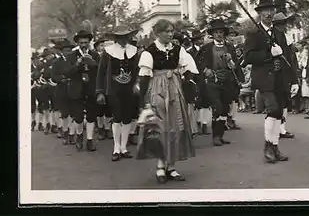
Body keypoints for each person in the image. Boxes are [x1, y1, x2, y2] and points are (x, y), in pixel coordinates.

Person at [137, 19, 198, 183]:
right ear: (158, 33)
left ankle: (171, 167)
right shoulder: (149, 52)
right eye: (167, 31)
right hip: (157, 89)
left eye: (172, 31)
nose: (171, 34)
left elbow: (189, 68)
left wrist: (186, 80)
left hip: (175, 89)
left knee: (176, 126)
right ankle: (159, 166)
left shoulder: (178, 50)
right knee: (161, 127)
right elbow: (144, 77)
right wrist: (144, 100)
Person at [243, 0, 299, 163]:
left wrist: (294, 81)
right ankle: (268, 146)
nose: (269, 13)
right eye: (265, 11)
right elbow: (248, 57)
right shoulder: (253, 34)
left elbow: (289, 59)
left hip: (280, 78)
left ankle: (274, 146)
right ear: (259, 13)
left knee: (279, 112)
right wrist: (269, 53)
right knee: (273, 109)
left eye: (271, 10)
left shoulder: (280, 34)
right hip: (264, 79)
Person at [196, 19, 244, 146]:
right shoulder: (206, 48)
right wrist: (206, 70)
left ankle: (221, 135)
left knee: (225, 109)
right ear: (212, 34)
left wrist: (230, 61)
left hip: (227, 81)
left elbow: (235, 67)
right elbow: (198, 63)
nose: (219, 34)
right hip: (212, 82)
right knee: (217, 106)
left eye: (221, 32)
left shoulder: (229, 47)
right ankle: (215, 137)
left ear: (224, 33)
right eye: (216, 32)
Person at [95, 27, 140, 160]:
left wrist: (137, 84)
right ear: (115, 38)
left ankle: (124, 148)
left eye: (125, 36)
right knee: (117, 117)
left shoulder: (134, 51)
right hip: (113, 88)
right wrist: (100, 92)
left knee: (127, 117)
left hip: (129, 88)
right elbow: (101, 72)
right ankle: (116, 148)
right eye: (120, 37)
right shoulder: (108, 52)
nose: (123, 39)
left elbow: (137, 70)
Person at [66, 30, 100, 151]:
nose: (84, 45)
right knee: (79, 116)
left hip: (90, 88)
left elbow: (100, 71)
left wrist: (93, 63)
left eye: (86, 42)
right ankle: (79, 135)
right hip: (77, 89)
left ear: (89, 42)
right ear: (77, 43)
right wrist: (78, 63)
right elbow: (68, 73)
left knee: (91, 115)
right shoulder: (71, 55)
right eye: (81, 42)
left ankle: (90, 140)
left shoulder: (95, 54)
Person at [272, 12, 296, 139]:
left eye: (284, 23)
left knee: (285, 101)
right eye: (280, 23)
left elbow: (291, 58)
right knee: (276, 103)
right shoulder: (271, 36)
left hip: (285, 72)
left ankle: (282, 128)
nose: (283, 25)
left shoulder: (286, 37)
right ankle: (276, 128)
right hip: (274, 73)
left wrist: (293, 77)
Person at [51, 39, 75, 141]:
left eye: (69, 50)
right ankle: (65, 131)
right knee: (64, 113)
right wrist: (62, 79)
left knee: (74, 112)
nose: (68, 52)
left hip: (74, 89)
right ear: (62, 51)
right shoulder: (56, 62)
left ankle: (72, 133)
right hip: (62, 90)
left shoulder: (75, 61)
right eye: (66, 50)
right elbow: (53, 76)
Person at [93, 37, 114, 140]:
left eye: (105, 45)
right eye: (101, 45)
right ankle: (100, 128)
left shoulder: (111, 56)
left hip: (109, 85)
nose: (104, 47)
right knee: (99, 108)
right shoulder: (94, 56)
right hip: (98, 84)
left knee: (109, 108)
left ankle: (107, 128)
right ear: (97, 47)